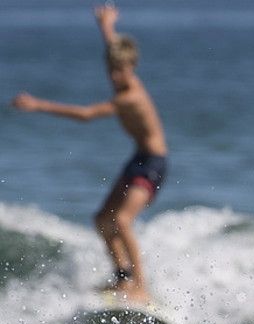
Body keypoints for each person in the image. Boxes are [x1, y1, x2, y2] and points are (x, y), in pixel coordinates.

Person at [11, 5, 168, 306]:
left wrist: (37, 105)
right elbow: (114, 49)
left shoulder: (130, 97)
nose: (115, 75)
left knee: (121, 221)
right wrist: (107, 25)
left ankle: (141, 286)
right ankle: (122, 276)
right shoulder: (120, 70)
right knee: (100, 220)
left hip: (153, 164)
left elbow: (86, 114)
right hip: (138, 158)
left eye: (120, 70)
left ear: (132, 67)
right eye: (111, 69)